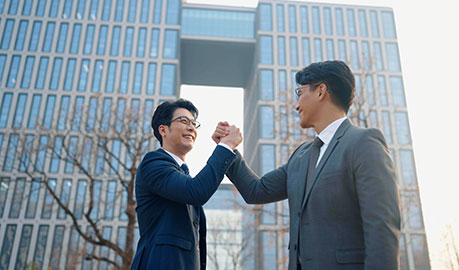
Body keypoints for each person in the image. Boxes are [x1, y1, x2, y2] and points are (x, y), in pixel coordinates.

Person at [213, 61, 401, 270]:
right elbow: (256, 191)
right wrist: (227, 149)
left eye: (300, 93)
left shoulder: (364, 142)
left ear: (321, 91)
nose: (296, 105)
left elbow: (382, 226)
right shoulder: (301, 156)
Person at [131, 99, 242, 270]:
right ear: (163, 130)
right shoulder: (153, 163)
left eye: (193, 123)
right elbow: (196, 191)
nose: (191, 127)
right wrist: (226, 146)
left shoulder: (182, 174)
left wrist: (225, 147)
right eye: (183, 121)